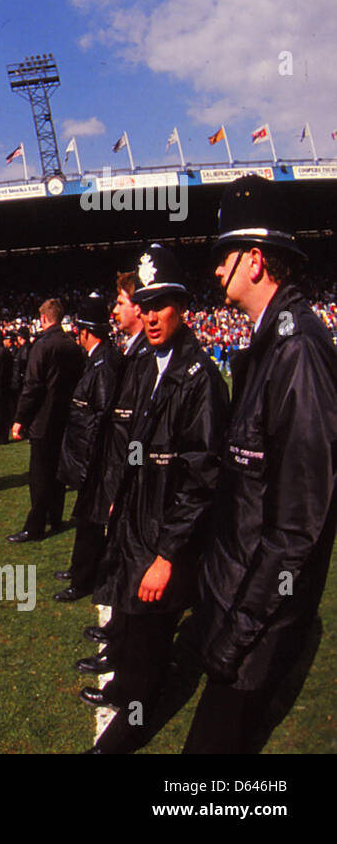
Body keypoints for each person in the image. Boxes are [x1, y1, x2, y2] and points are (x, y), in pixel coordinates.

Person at [184, 176, 337, 753]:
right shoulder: (272, 345)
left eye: (225, 255)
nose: (216, 270)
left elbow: (299, 525)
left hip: (257, 620)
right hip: (241, 600)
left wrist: (241, 631)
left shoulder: (296, 353)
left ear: (254, 260)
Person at [83, 244, 228, 754]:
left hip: (164, 537)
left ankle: (130, 725)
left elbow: (201, 479)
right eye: (143, 304)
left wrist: (168, 556)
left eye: (160, 304)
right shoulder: (146, 365)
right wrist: (117, 502)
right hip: (135, 525)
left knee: (149, 646)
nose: (148, 316)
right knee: (129, 623)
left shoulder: (201, 379)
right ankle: (124, 690)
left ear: (182, 306)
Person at [78, 271, 154, 660]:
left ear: (139, 308)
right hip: (120, 471)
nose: (115, 309)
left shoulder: (145, 357)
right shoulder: (134, 352)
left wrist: (121, 486)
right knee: (121, 557)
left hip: (130, 478)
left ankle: (124, 646)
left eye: (121, 302)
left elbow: (137, 433)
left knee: (129, 559)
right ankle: (118, 633)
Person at [52, 292, 121, 602]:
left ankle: (82, 580)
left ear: (85, 331)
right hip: (89, 456)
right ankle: (78, 568)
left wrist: (89, 462)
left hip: (94, 459)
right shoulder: (99, 359)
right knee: (84, 517)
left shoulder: (104, 363)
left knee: (90, 521)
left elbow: (101, 416)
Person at [7, 299, 84, 543]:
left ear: (43, 319)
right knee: (58, 472)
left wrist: (20, 418)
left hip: (43, 419)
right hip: (67, 417)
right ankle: (55, 516)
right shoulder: (73, 345)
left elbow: (33, 386)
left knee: (39, 475)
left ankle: (35, 526)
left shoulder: (41, 346)